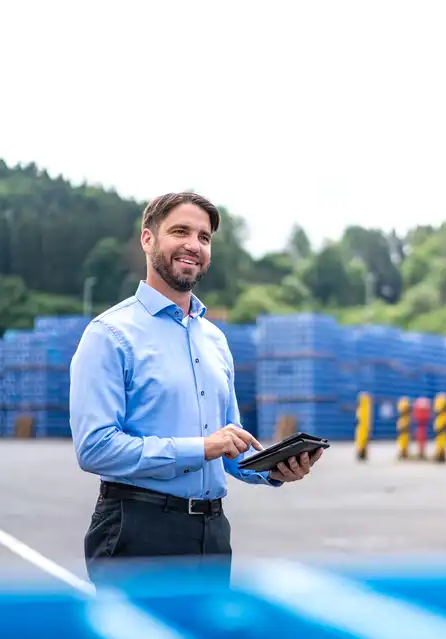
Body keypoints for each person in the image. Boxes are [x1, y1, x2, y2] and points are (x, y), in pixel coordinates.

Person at [69, 192, 324, 584]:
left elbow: (229, 446)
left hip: (212, 531)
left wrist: (274, 470)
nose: (194, 245)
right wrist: (203, 447)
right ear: (148, 239)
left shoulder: (215, 341)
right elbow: (96, 448)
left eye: (204, 237)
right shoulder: (109, 335)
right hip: (138, 530)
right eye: (180, 231)